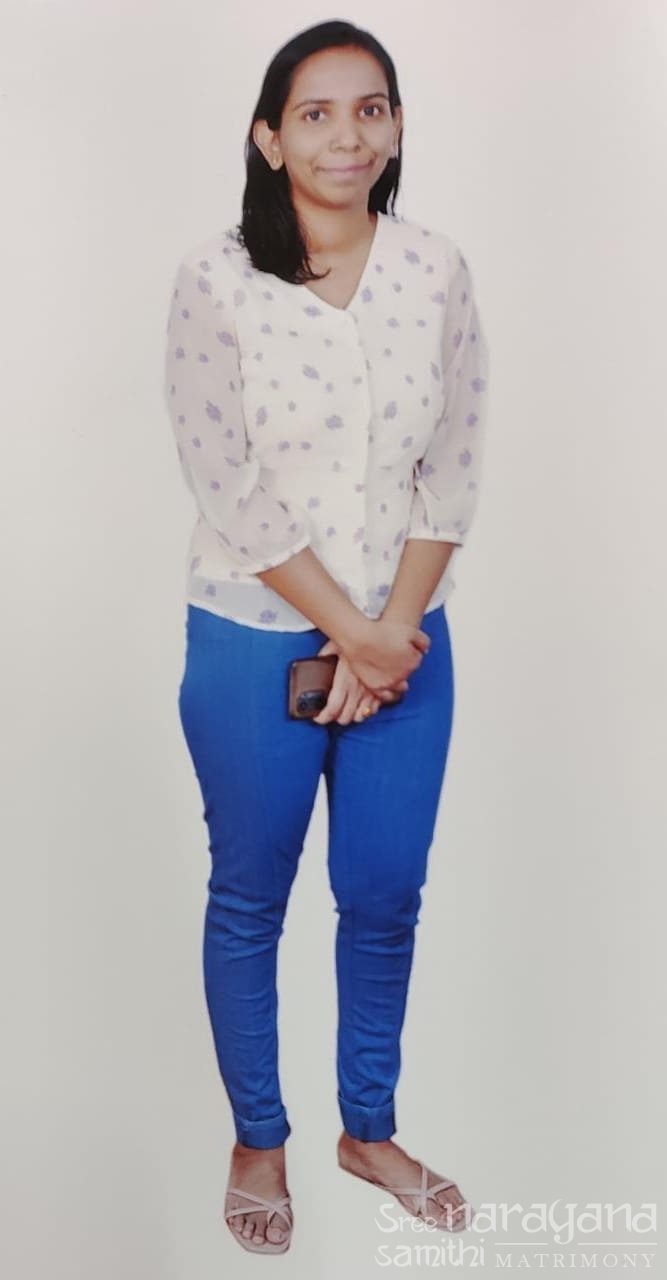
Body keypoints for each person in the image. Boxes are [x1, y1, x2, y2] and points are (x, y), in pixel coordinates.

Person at [163, 18, 489, 1256]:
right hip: (254, 635)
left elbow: (453, 460)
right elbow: (225, 478)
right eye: (315, 112)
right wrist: (351, 632)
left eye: (370, 108)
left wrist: (390, 629)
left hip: (409, 637)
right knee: (251, 895)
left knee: (385, 892)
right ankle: (259, 1134)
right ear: (268, 137)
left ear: (395, 127)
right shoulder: (215, 280)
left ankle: (369, 1128)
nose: (346, 135)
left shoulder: (436, 270)